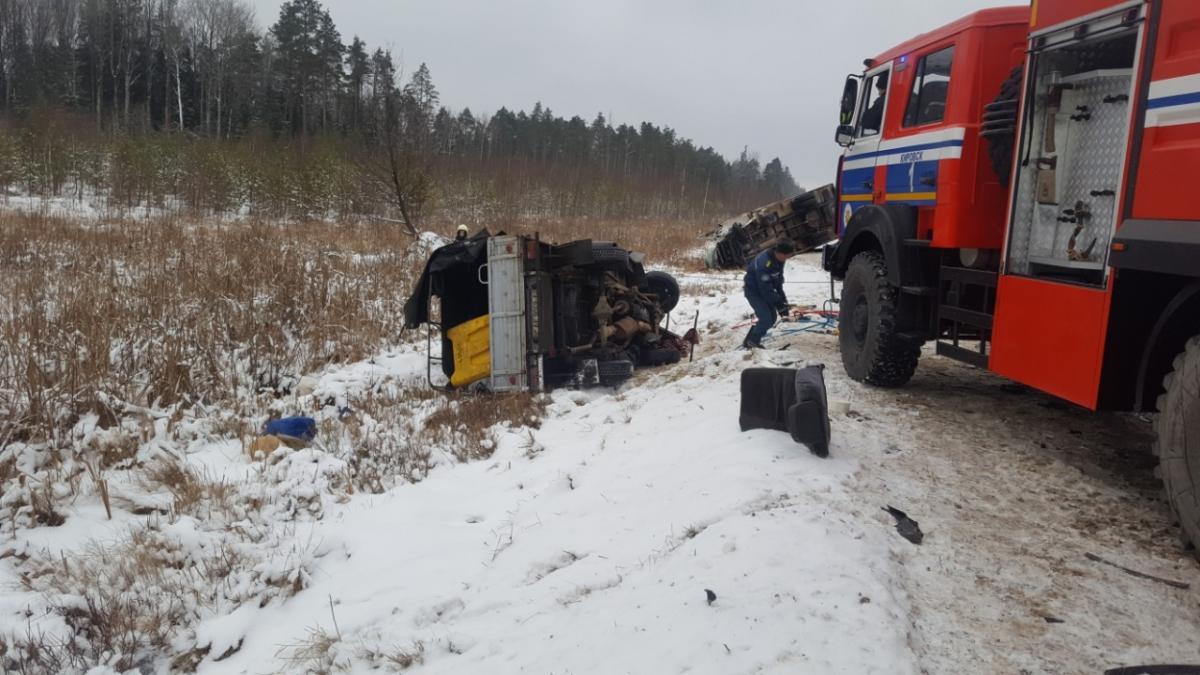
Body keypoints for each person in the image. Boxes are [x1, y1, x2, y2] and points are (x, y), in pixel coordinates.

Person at [743, 241, 797, 349]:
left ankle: (749, 340)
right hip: (754, 292)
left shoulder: (779, 260)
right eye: (786, 256)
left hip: (765, 291)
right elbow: (765, 289)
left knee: (772, 318)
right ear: (780, 253)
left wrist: (783, 301)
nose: (787, 259)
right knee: (765, 319)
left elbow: (778, 282)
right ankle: (753, 342)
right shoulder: (764, 263)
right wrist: (778, 304)